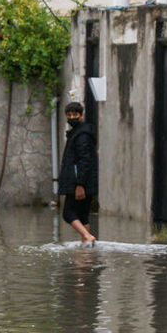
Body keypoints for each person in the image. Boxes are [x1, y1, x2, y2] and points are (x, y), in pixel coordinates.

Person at [58, 102, 98, 246]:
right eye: (69, 115)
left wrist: (80, 184)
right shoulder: (79, 133)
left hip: (78, 183)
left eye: (75, 114)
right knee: (83, 216)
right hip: (83, 182)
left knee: (68, 214)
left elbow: (84, 161)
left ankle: (87, 237)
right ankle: (86, 250)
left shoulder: (81, 135)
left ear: (82, 116)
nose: (72, 117)